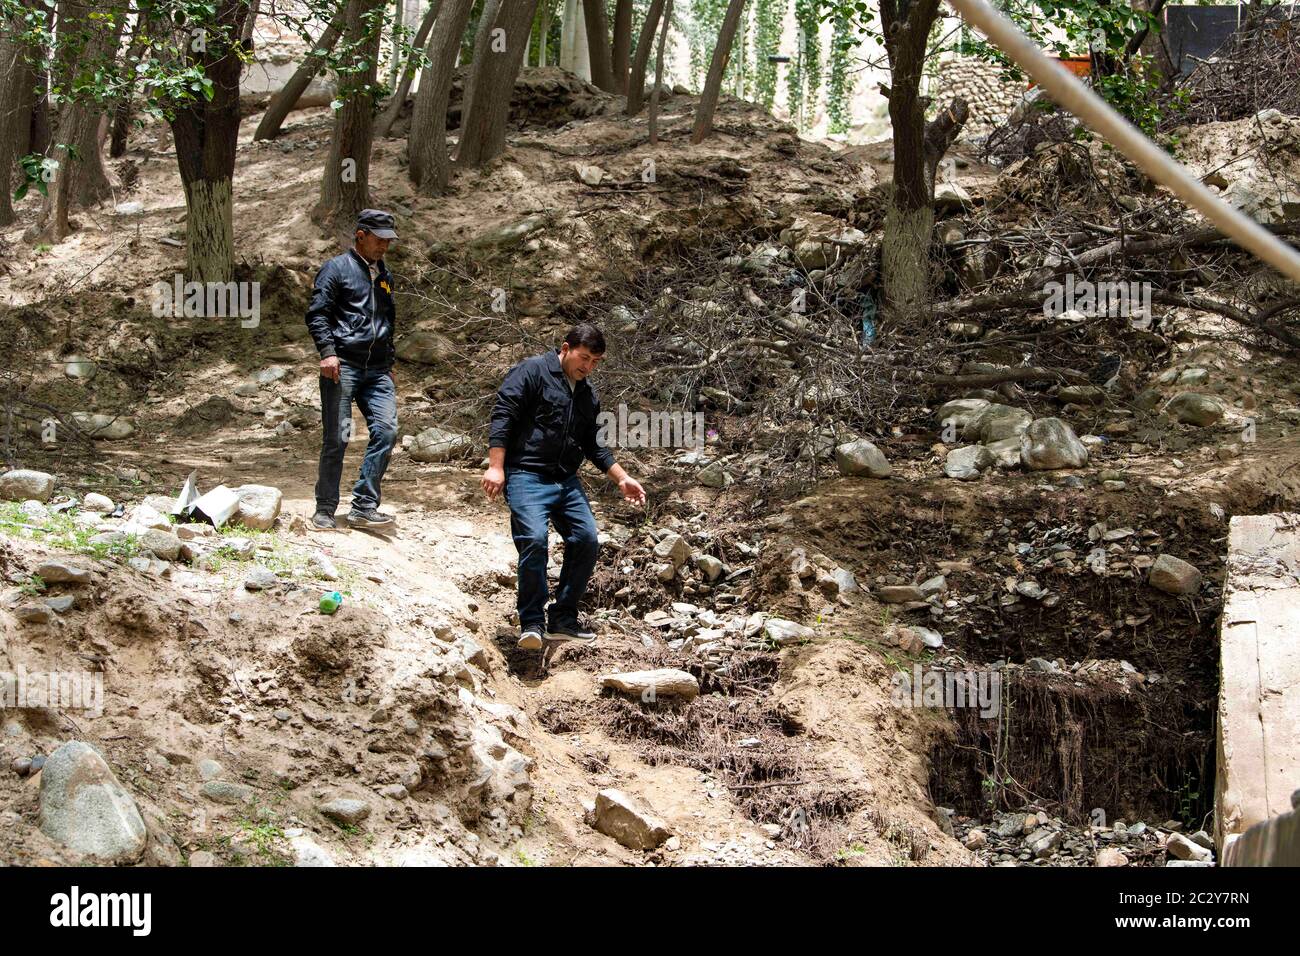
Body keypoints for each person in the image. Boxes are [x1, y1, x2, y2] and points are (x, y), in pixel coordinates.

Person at [483, 324, 646, 649]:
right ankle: (530, 622)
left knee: (586, 539)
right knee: (533, 539)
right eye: (583, 357)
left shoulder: (587, 395)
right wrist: (496, 466)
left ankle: (562, 619)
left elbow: (594, 445)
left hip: (565, 480)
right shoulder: (531, 372)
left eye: (595, 361)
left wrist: (622, 478)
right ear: (565, 348)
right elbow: (504, 415)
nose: (587, 366)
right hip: (526, 473)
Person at [304, 209, 400, 531]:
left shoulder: (383, 274)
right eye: (380, 239)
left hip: (377, 371)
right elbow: (317, 314)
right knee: (338, 437)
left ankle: (363, 506)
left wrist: (389, 361)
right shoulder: (336, 269)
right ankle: (325, 509)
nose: (385, 246)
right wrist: (328, 353)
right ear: (360, 235)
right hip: (341, 366)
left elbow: (387, 321)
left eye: (389, 240)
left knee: (386, 431)